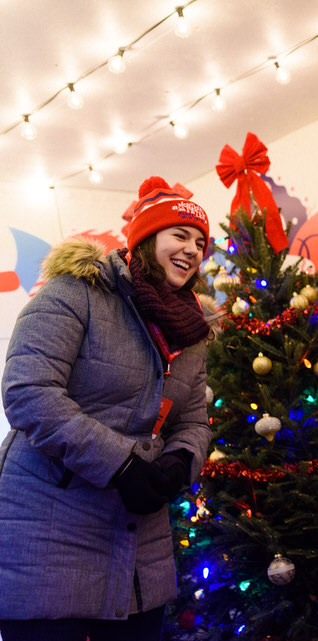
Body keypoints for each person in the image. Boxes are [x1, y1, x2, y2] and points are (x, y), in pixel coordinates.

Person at [0, 177, 214, 641]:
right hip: (50, 532)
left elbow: (195, 419)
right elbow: (28, 391)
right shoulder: (75, 293)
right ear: (144, 238)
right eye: (179, 235)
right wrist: (121, 466)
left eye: (200, 242)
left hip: (140, 542)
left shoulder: (191, 331)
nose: (192, 249)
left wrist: (180, 460)